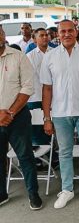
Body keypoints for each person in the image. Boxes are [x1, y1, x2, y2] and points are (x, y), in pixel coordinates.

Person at [40, 20, 79, 209]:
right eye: (62, 31)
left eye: (70, 31)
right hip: (60, 113)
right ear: (57, 34)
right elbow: (47, 89)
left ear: (76, 32)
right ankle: (67, 189)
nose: (66, 34)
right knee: (65, 152)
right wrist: (46, 118)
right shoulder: (50, 57)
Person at [0, 26, 42, 209]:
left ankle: (33, 194)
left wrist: (9, 113)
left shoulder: (18, 56)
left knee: (25, 157)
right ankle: (2, 194)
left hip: (17, 117)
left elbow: (27, 87)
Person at [27, 28, 53, 160]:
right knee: (37, 129)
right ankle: (38, 159)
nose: (44, 37)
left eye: (46, 35)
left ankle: (52, 156)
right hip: (36, 96)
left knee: (51, 127)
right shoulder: (30, 56)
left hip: (53, 97)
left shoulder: (55, 53)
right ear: (35, 39)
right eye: (41, 35)